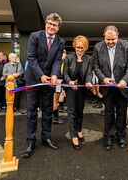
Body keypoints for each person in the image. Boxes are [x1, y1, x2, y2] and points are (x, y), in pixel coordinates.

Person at [23, 13, 65, 158]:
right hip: (33, 79)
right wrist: (41, 75)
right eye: (50, 23)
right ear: (45, 23)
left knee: (48, 110)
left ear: (58, 28)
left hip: (49, 81)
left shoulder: (60, 42)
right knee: (31, 111)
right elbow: (31, 58)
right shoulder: (35, 36)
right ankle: (30, 141)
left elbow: (57, 61)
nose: (51, 27)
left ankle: (46, 138)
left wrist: (54, 74)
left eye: (55, 25)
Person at [93, 25, 128, 150]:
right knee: (108, 112)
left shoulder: (126, 45)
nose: (110, 42)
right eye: (108, 40)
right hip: (107, 86)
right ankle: (108, 136)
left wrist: (125, 80)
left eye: (113, 39)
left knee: (122, 112)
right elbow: (95, 65)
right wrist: (103, 78)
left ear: (118, 36)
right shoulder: (98, 47)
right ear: (104, 37)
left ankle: (121, 136)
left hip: (122, 85)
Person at [64, 35, 93, 150]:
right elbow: (65, 73)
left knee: (80, 111)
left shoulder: (89, 59)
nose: (79, 50)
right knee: (72, 112)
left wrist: (88, 82)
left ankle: (79, 130)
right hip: (71, 88)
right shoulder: (68, 58)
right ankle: (73, 135)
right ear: (75, 46)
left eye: (82, 48)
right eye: (78, 47)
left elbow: (89, 73)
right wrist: (69, 82)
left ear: (85, 48)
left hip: (82, 88)